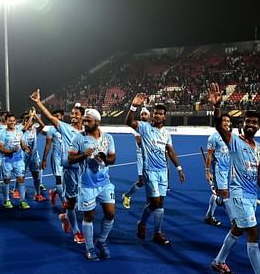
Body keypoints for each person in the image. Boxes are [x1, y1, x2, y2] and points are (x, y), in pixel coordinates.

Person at [207, 83, 260, 274]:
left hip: (251, 196)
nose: (251, 124)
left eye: (255, 122)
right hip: (237, 195)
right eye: (248, 121)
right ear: (243, 124)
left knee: (237, 229)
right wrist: (217, 107)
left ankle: (218, 262)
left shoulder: (259, 148)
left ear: (259, 126)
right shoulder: (234, 141)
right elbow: (219, 127)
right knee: (253, 233)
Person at [125, 93, 185, 245]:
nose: (157, 115)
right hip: (149, 171)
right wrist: (133, 106)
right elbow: (129, 121)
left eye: (160, 114)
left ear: (165, 117)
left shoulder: (166, 133)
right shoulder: (144, 127)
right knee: (155, 203)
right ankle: (143, 224)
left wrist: (178, 168)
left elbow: (170, 151)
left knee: (159, 205)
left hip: (162, 172)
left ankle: (156, 233)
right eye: (156, 113)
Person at [31, 89, 85, 243]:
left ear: (82, 117)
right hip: (69, 171)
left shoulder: (87, 132)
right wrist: (38, 103)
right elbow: (49, 116)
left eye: (76, 114)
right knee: (71, 203)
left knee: (81, 203)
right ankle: (76, 231)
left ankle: (65, 216)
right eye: (72, 114)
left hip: (83, 172)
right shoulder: (65, 127)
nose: (73, 116)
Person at [68, 108, 116, 261]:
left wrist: (103, 159)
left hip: (105, 183)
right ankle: (89, 248)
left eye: (89, 121)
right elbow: (70, 159)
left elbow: (112, 159)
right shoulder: (79, 138)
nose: (85, 123)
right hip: (87, 184)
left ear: (97, 122)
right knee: (89, 216)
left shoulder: (108, 138)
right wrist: (84, 155)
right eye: (84, 121)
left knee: (110, 213)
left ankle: (101, 240)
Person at [0, 113, 30, 209]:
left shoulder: (19, 132)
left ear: (15, 121)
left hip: (19, 160)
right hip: (7, 161)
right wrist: (12, 150)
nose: (12, 122)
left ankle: (22, 201)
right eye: (10, 120)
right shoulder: (2, 134)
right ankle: (7, 200)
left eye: (13, 120)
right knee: (6, 180)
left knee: (21, 179)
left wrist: (25, 148)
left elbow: (22, 143)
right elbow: (1, 149)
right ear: (6, 121)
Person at [204, 113, 231, 226]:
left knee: (218, 194)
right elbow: (209, 155)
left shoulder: (230, 136)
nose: (226, 122)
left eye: (228, 120)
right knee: (224, 195)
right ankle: (234, 221)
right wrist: (207, 171)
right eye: (223, 120)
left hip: (228, 170)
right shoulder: (214, 137)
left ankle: (209, 215)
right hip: (219, 170)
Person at [122, 107, 150, 209]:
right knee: (142, 181)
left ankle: (150, 202)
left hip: (150, 156)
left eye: (145, 114)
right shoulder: (138, 126)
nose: (143, 116)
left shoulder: (151, 127)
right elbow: (139, 141)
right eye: (142, 114)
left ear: (149, 116)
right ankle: (127, 195)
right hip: (141, 157)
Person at [42, 110, 65, 212]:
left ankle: (54, 192)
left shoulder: (67, 128)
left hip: (68, 158)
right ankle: (64, 202)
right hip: (56, 158)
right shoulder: (51, 130)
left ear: (62, 117)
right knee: (59, 180)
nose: (56, 118)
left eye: (58, 116)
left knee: (68, 182)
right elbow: (48, 145)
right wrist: (44, 159)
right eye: (54, 116)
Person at [22, 112, 47, 202]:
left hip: (34, 156)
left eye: (31, 120)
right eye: (27, 119)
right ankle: (18, 192)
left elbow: (43, 125)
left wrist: (35, 115)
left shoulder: (34, 130)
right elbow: (25, 127)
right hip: (24, 156)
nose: (29, 121)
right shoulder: (22, 130)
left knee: (36, 174)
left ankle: (37, 194)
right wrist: (31, 116)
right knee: (22, 175)